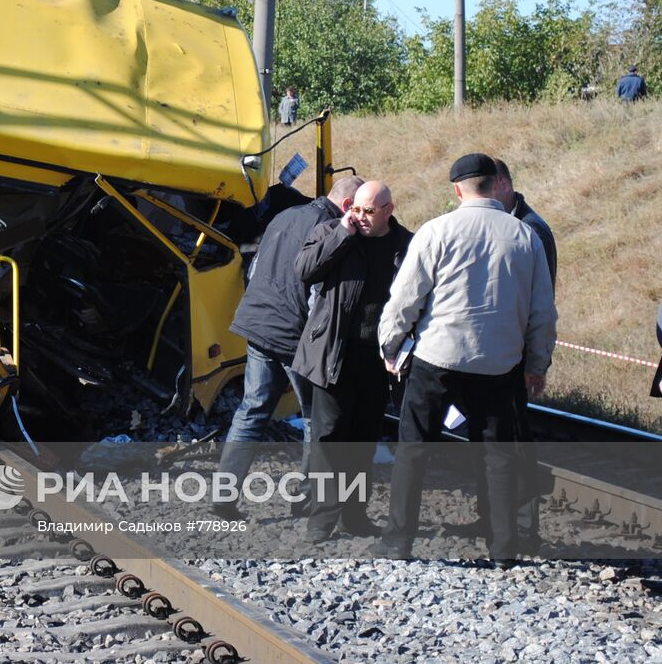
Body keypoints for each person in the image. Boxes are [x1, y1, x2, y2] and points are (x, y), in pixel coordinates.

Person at [374, 154, 556, 566]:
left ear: (457, 189)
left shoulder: (436, 231)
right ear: (496, 184)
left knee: (413, 450)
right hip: (500, 365)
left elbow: (404, 298)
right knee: (497, 456)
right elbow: (542, 312)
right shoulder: (525, 237)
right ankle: (504, 547)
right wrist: (536, 365)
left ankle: (398, 541)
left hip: (437, 359)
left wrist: (390, 345)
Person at [214, 174, 364, 520]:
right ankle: (305, 500)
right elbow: (319, 295)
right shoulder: (329, 229)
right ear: (346, 206)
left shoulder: (285, 214)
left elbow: (256, 267)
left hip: (257, 322)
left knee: (251, 410)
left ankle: (223, 496)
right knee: (315, 417)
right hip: (293, 334)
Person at [293, 181, 413, 542]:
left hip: (377, 356)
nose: (359, 217)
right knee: (330, 437)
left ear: (388, 211)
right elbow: (304, 270)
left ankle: (354, 515)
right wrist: (342, 233)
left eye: (368, 212)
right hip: (333, 352)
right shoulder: (330, 231)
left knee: (363, 439)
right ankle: (322, 518)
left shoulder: (405, 244)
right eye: (355, 209)